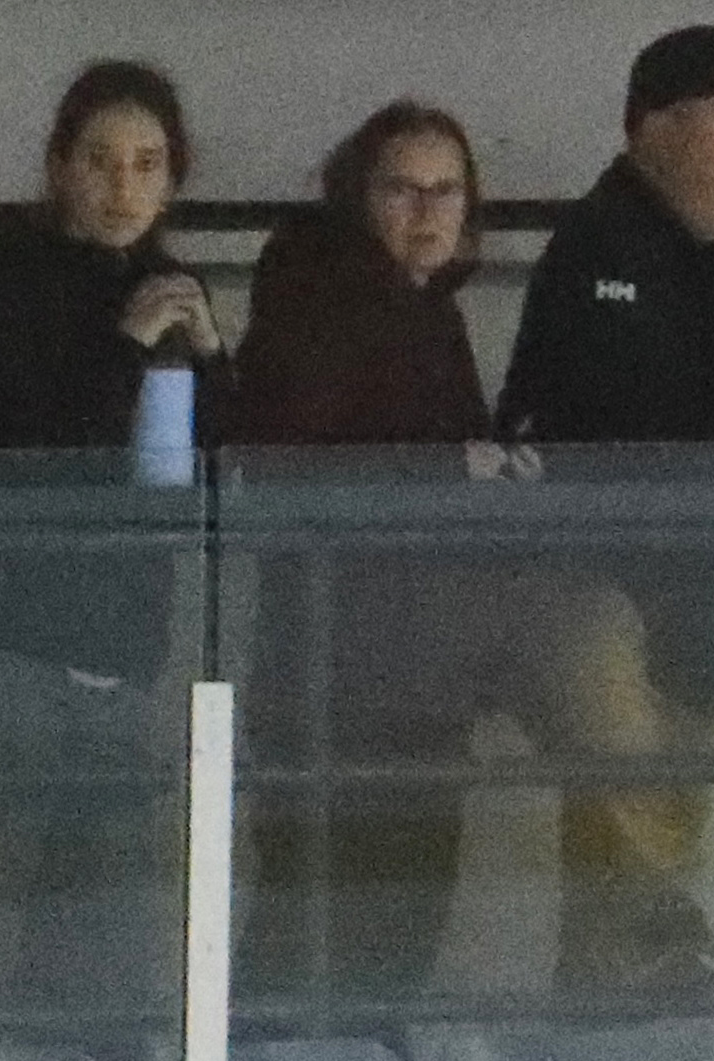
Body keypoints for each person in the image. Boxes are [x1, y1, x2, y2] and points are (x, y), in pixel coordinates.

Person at [495, 28, 714, 988]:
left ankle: (630, 1020)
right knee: (620, 759)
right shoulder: (594, 248)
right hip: (596, 584)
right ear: (646, 130)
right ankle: (656, 946)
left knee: (642, 809)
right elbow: (624, 434)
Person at [0, 63, 222, 1016]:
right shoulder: (3, 278)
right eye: (99, 160)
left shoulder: (171, 287)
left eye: (146, 163)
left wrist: (213, 359)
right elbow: (23, 447)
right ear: (58, 168)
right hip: (7, 638)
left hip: (125, 643)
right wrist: (122, 346)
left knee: (109, 918)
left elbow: (210, 470)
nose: (122, 186)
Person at [235, 102, 524, 998]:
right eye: (401, 188)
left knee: (396, 942)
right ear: (357, 196)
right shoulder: (313, 292)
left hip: (423, 679)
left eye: (446, 190)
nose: (426, 210)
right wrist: (453, 469)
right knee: (309, 945)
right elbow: (306, 457)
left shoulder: (428, 306)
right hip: (334, 679)